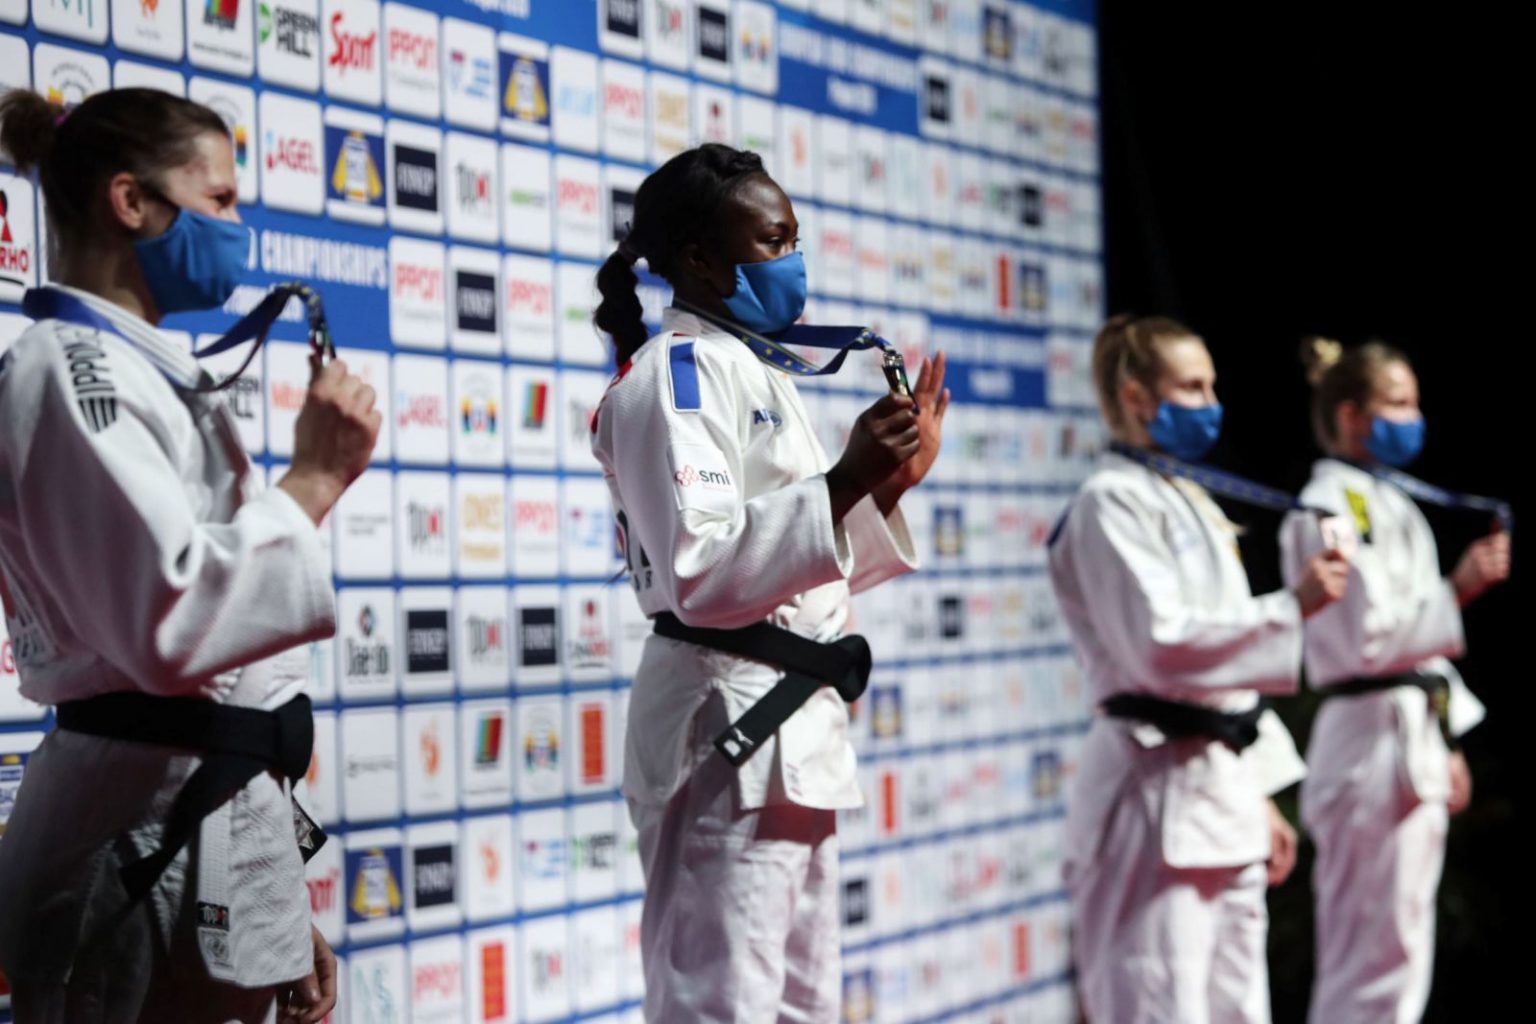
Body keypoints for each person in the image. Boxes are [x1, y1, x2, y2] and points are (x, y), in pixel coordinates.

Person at [0, 88, 380, 1023]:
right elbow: (169, 624)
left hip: (201, 826)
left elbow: (228, 687)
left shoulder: (147, 369)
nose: (238, 227)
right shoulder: (66, 366)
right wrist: (313, 484)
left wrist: (276, 898)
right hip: (126, 853)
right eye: (218, 202)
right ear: (131, 202)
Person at [589, 143, 948, 1022]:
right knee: (721, 1003)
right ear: (701, 261)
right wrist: (839, 481)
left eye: (795, 236)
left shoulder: (751, 367)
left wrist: (877, 485)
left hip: (791, 729)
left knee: (803, 1005)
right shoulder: (674, 375)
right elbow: (702, 576)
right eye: (772, 240)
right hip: (727, 729)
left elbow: (797, 575)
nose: (793, 258)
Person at [1048, 315, 1350, 1023]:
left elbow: (1232, 679)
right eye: (1191, 386)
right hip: (1150, 793)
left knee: (1240, 1008)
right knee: (1158, 1005)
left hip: (1223, 793)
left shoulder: (1188, 497)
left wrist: (1262, 792)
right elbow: (1162, 646)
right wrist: (1293, 605)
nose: (1210, 401)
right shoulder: (1108, 502)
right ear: (1136, 398)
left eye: (1211, 385)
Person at [1281, 338, 1509, 1024]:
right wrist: (1458, 591)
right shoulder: (1326, 505)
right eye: (1399, 404)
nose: (1414, 418)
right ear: (1352, 416)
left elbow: (1422, 662)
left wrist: (1450, 740)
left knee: (1402, 947)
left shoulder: (1392, 501)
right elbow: (1367, 637)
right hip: (1365, 743)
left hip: (1410, 740)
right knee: (1366, 951)